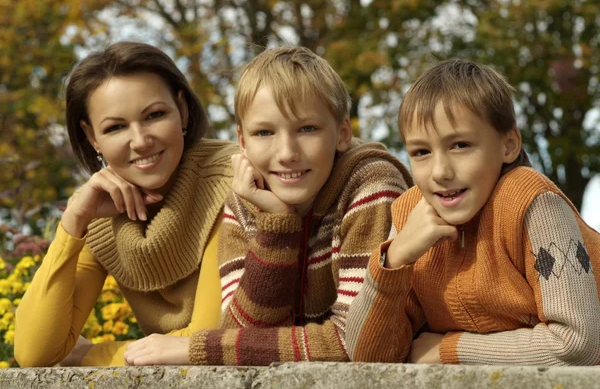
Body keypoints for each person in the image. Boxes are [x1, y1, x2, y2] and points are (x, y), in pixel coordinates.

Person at [122, 46, 414, 365]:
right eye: (264, 132)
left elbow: (356, 341)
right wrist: (277, 226)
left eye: (307, 129)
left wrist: (197, 348)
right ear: (243, 141)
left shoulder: (371, 184)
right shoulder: (246, 198)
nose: (286, 152)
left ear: (343, 133)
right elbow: (242, 331)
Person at [345, 59, 600, 365]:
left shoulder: (534, 203)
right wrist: (394, 259)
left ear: (508, 145)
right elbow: (367, 357)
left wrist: (448, 350)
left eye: (460, 145)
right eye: (421, 152)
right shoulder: (412, 214)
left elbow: (580, 345)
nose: (440, 172)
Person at [14, 42, 238, 367]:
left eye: (155, 115)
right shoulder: (100, 211)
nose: (141, 140)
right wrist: (74, 221)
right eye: (115, 127)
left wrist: (89, 354)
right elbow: (34, 353)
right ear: (92, 137)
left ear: (183, 110)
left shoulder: (232, 179)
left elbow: (206, 341)